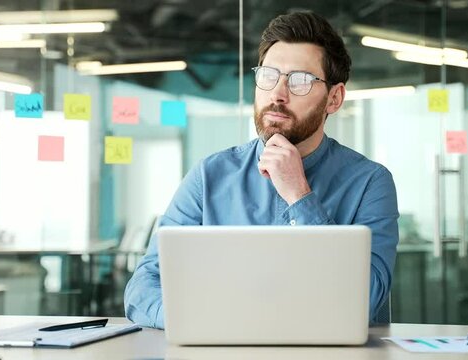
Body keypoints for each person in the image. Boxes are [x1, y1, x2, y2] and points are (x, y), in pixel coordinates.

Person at [124, 11, 399, 329]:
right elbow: (143, 287)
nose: (278, 94)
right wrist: (204, 321)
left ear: (334, 98)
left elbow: (364, 301)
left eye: (300, 81)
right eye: (269, 76)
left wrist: (299, 195)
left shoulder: (369, 182)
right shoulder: (210, 175)